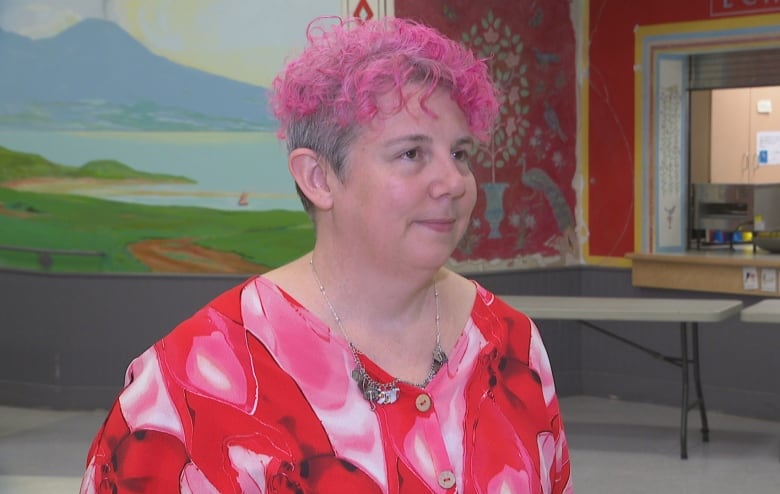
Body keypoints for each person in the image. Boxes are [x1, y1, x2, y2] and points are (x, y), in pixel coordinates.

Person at [80, 16, 572, 494]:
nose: (454, 183)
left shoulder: (510, 344)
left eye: (460, 153)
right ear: (318, 179)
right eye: (412, 154)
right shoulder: (193, 382)